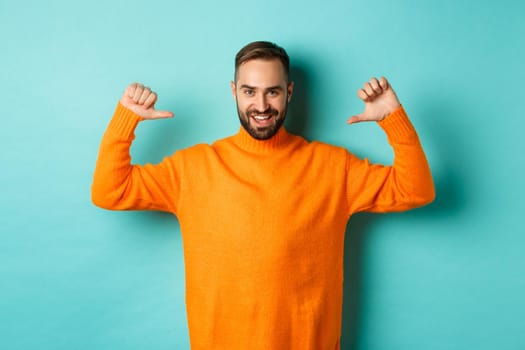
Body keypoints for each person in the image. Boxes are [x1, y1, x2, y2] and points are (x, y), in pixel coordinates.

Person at [92, 41, 435, 350]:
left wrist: (393, 120)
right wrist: (126, 122)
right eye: (249, 91)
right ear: (233, 92)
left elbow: (415, 189)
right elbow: (110, 191)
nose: (260, 105)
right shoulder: (192, 169)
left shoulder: (334, 167)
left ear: (289, 92)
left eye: (272, 92)